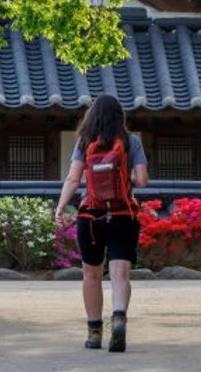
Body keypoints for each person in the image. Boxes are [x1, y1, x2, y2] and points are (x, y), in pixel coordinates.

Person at [55, 94, 149, 352]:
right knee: (120, 273)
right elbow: (141, 181)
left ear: (92, 116)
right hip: (122, 214)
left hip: (91, 216)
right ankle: (119, 318)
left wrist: (61, 207)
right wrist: (124, 172)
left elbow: (73, 179)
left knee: (91, 273)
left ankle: (94, 332)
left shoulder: (85, 142)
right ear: (120, 116)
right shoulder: (131, 143)